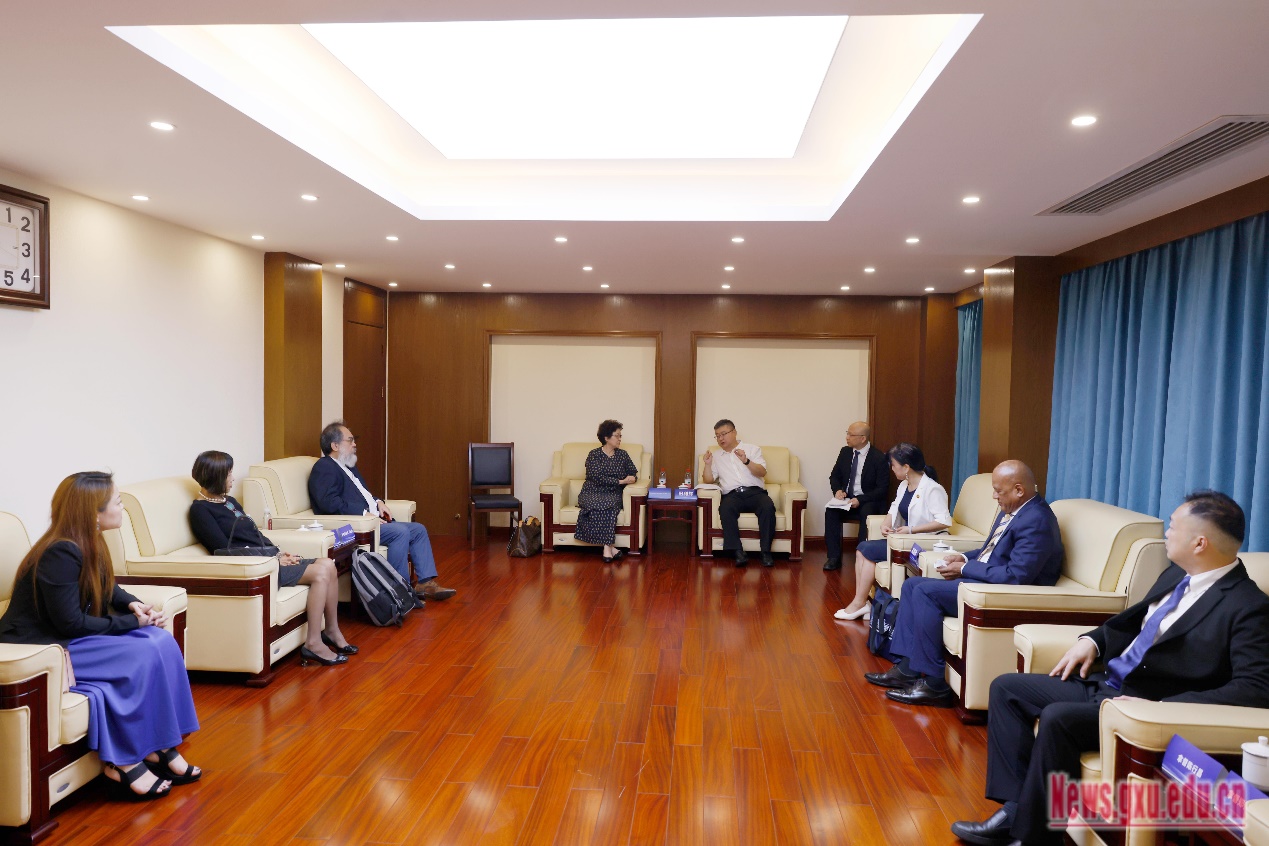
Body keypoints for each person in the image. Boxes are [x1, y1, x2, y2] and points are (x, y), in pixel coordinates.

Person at [950, 491, 1269, 846]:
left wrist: (1163, 708)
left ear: (1200, 543)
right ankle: (1015, 811)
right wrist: (1094, 641)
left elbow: (1254, 689)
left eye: (1174, 526)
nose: (1167, 533)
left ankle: (1033, 838)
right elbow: (1132, 621)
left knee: (1058, 718)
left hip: (1142, 708)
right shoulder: (1176, 574)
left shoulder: (1248, 606)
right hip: (1107, 682)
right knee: (1007, 688)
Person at [0, 472, 200, 801]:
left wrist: (133, 605)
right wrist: (132, 624)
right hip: (41, 648)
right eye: (117, 502)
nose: (122, 508)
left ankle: (163, 744)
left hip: (67, 639)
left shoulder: (88, 541)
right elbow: (70, 623)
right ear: (94, 513)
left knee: (161, 640)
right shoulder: (59, 553)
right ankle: (125, 760)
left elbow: (108, 588)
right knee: (141, 652)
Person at [865, 460, 1064, 706]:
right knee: (911, 586)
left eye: (998, 491)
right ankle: (907, 668)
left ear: (1019, 490)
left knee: (925, 593)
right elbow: (991, 550)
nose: (994, 497)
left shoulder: (1037, 520)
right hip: (986, 581)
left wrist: (965, 568)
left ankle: (934, 684)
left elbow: (1016, 576)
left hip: (1003, 594)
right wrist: (963, 557)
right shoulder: (1016, 509)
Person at [189, 450, 355, 667]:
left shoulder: (229, 502)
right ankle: (313, 643)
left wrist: (278, 552)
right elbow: (223, 551)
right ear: (216, 476)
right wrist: (272, 561)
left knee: (328, 564)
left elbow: (253, 534)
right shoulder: (200, 511)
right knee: (321, 572)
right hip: (257, 568)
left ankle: (331, 630)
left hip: (268, 559)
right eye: (229, 474)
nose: (233, 478)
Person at [308, 421, 455, 602]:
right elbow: (328, 502)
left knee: (418, 529)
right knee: (400, 532)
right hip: (351, 529)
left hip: (372, 522)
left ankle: (425, 583)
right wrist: (364, 515)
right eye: (350, 440)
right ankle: (401, 593)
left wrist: (378, 502)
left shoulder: (348, 466)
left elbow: (363, 494)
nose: (355, 444)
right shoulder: (324, 467)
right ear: (335, 445)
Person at [834, 443, 952, 621]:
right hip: (903, 540)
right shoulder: (904, 485)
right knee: (862, 549)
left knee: (867, 551)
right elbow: (894, 509)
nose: (892, 469)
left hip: (922, 543)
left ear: (906, 467)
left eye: (894, 465)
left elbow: (944, 521)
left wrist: (911, 530)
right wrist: (885, 524)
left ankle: (859, 604)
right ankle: (862, 602)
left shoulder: (932, 488)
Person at [702, 419, 776, 568]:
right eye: (717, 436)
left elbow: (762, 472)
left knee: (767, 506)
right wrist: (708, 465)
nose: (720, 438)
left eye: (723, 434)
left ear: (734, 432)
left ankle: (765, 552)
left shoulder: (752, 449)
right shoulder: (716, 456)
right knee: (725, 508)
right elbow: (708, 480)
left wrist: (746, 461)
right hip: (732, 495)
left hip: (755, 493)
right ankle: (738, 552)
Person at [822, 422, 889, 572]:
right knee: (831, 511)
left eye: (851, 435)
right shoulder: (845, 452)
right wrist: (838, 490)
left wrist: (860, 499)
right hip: (847, 499)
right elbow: (834, 476)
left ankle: (862, 555)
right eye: (847, 433)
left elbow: (882, 489)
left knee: (867, 511)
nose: (847, 437)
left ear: (863, 438)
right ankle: (833, 558)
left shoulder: (878, 457)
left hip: (868, 500)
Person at [573, 419, 639, 563]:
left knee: (610, 505)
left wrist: (632, 478)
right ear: (606, 437)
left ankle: (607, 549)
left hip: (613, 492)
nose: (620, 439)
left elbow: (633, 472)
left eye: (620, 436)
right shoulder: (594, 454)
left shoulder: (623, 455)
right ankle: (610, 548)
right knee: (602, 505)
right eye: (617, 436)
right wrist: (621, 481)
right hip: (591, 491)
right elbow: (596, 477)